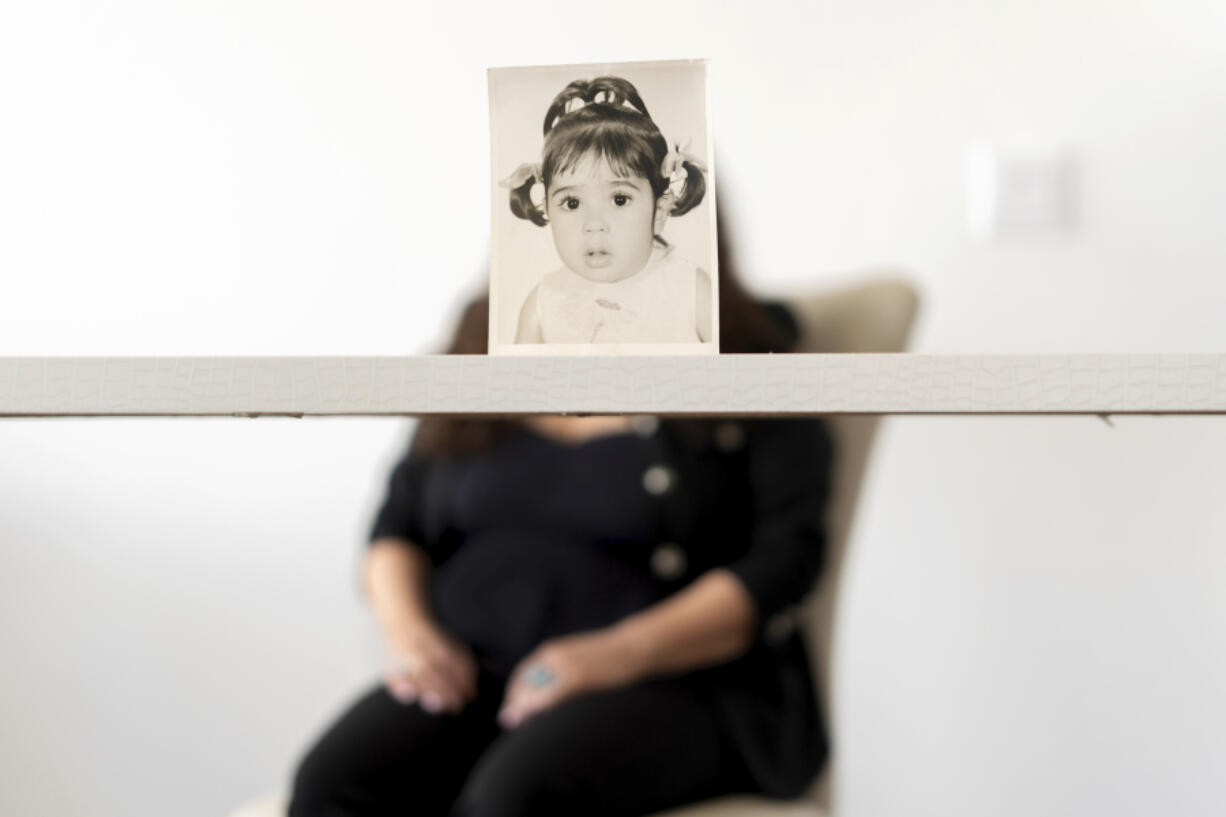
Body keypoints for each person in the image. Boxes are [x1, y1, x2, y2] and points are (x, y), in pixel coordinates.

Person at [288, 229, 834, 816]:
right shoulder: (476, 348)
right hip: (476, 663)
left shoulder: (751, 362)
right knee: (333, 784)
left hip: (671, 674)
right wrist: (409, 635)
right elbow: (397, 526)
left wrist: (621, 652)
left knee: (513, 800)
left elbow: (784, 559)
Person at [503, 76, 712, 345]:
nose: (594, 223)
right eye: (572, 203)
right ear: (547, 209)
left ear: (659, 211)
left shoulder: (692, 292)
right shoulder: (541, 304)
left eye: (620, 200)